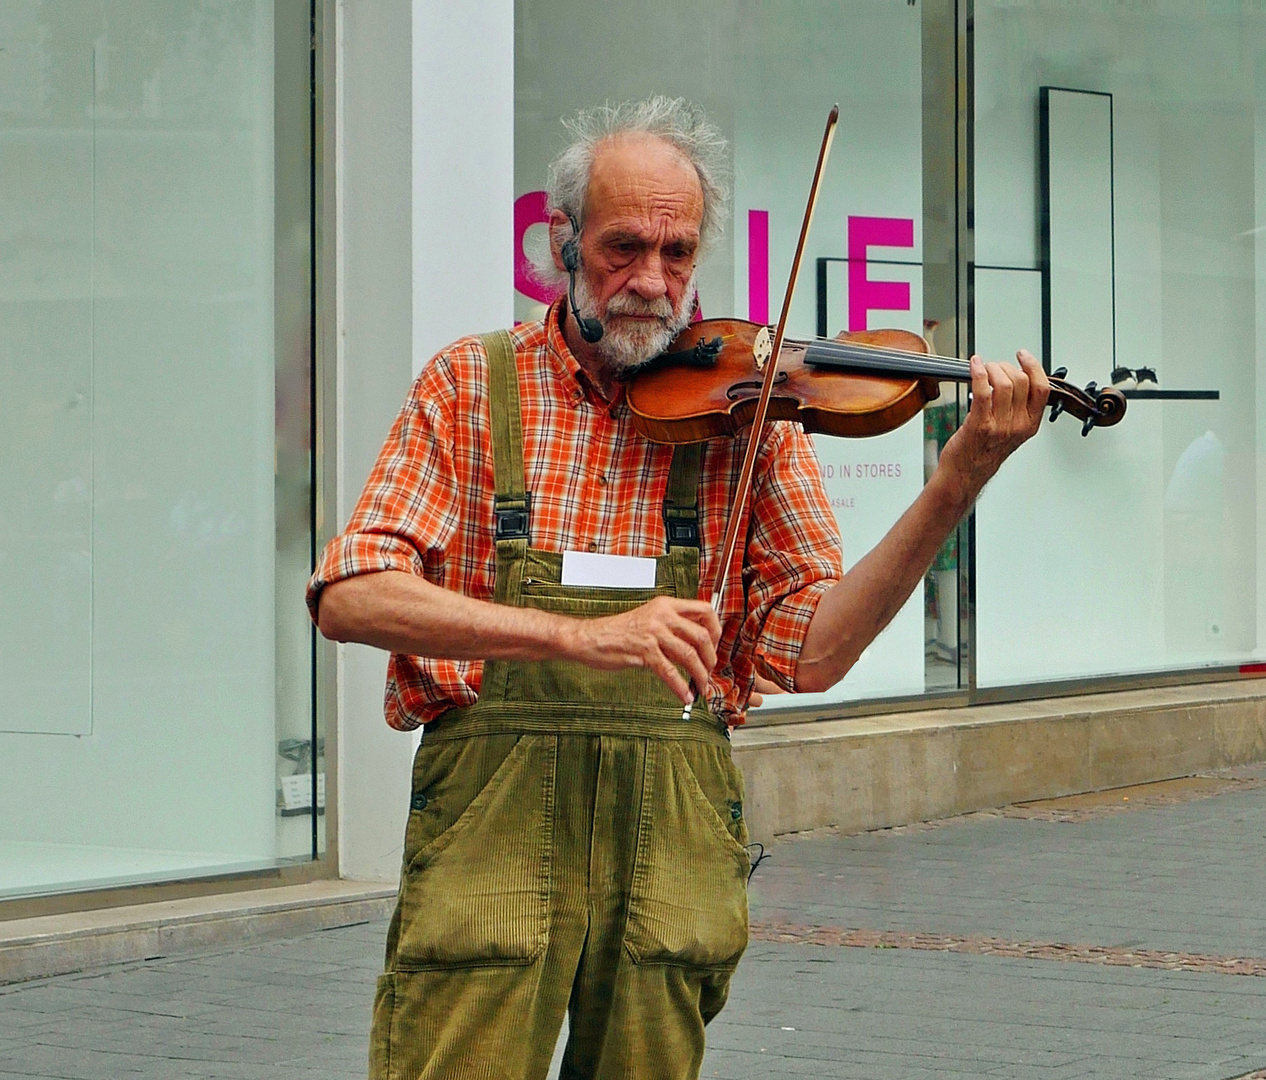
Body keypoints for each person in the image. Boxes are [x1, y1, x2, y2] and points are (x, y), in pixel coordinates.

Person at [307, 96, 1049, 1080]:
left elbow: (813, 652)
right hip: (495, 816)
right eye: (622, 248)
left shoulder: (751, 415)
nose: (651, 282)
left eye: (678, 252)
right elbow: (349, 591)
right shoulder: (472, 384)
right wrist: (575, 636)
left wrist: (957, 480)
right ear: (560, 244)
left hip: (670, 827)